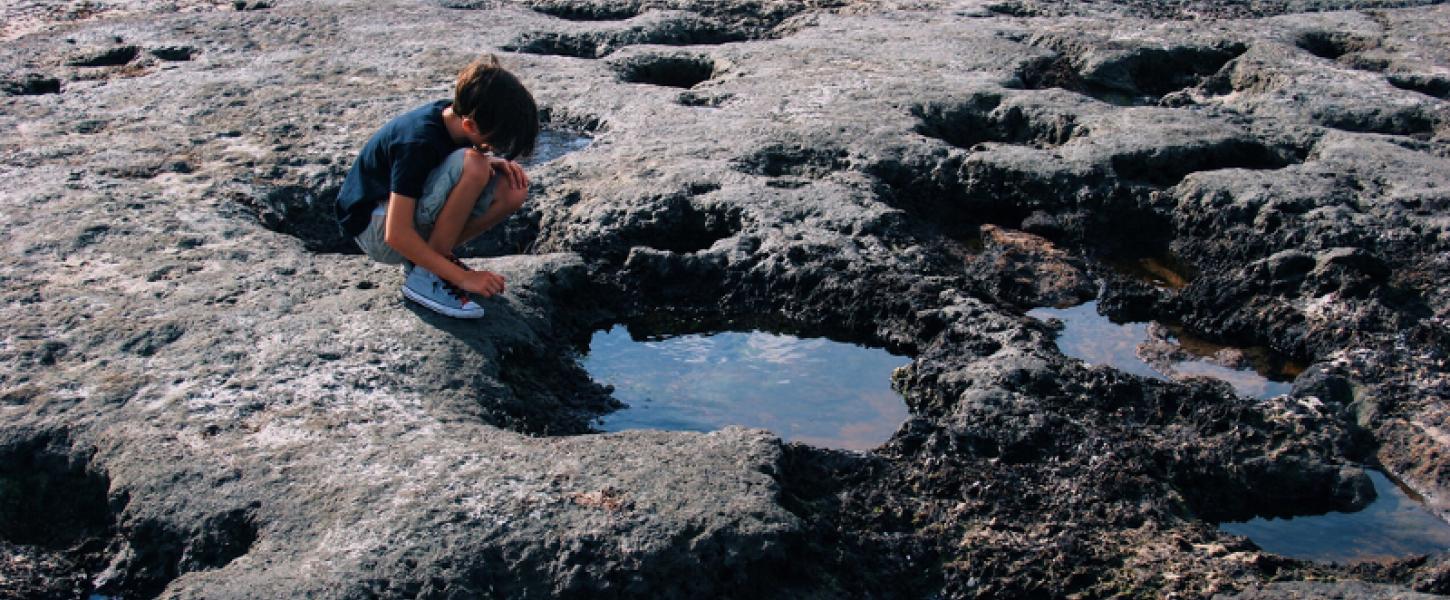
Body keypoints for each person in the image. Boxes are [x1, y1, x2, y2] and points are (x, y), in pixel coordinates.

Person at [336, 54, 537, 319]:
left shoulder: (454, 117)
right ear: (470, 125)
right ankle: (427, 276)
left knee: (513, 188)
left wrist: (494, 161)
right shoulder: (417, 142)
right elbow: (395, 234)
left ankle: (430, 264)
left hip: (395, 222)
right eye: (494, 143)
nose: (494, 149)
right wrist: (463, 278)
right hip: (375, 229)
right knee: (475, 166)